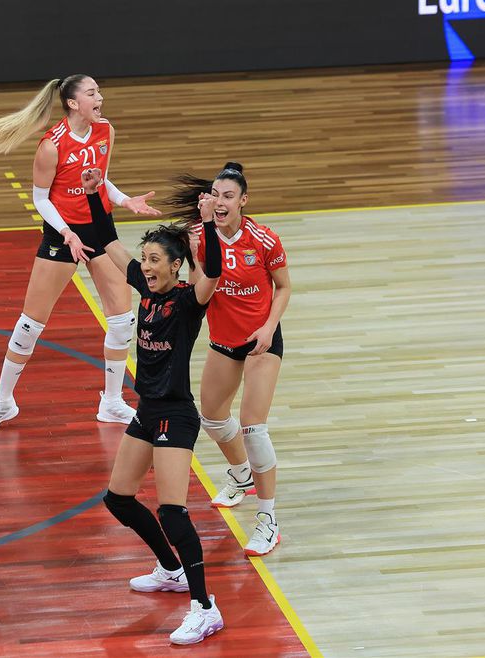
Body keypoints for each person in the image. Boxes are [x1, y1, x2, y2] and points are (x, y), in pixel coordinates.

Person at [0, 74, 161, 433]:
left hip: (100, 231)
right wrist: (66, 232)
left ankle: (111, 402)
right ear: (73, 103)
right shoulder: (51, 145)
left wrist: (124, 200)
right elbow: (41, 199)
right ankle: (3, 402)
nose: (100, 98)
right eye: (92, 93)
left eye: (99, 91)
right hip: (63, 234)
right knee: (30, 325)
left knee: (122, 321)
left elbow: (101, 180)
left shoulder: (105, 131)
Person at [82, 167, 224, 645]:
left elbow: (213, 273)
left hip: (176, 416)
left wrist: (207, 226)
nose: (146, 266)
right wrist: (94, 196)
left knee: (173, 512)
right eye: (144, 259)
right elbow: (106, 241)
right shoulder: (145, 290)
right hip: (146, 411)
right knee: (118, 498)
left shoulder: (188, 301)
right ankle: (170, 568)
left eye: (155, 260)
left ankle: (205, 608)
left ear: (176, 265)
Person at [169, 162, 291, 557]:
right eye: (215, 195)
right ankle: (241, 475)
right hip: (223, 339)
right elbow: (199, 291)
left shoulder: (264, 239)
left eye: (228, 196)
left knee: (254, 428)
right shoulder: (199, 237)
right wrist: (193, 254)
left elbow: (284, 287)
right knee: (213, 417)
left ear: (243, 201)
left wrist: (269, 327)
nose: (220, 202)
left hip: (260, 341)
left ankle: (268, 521)